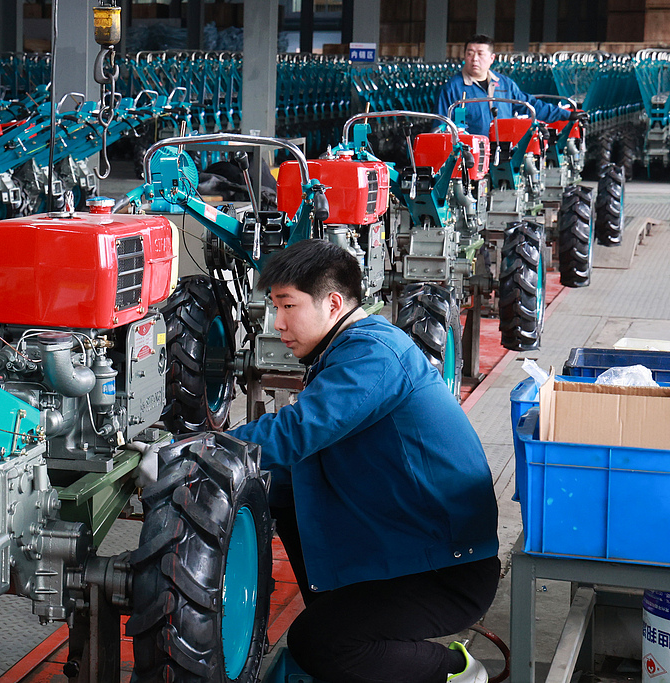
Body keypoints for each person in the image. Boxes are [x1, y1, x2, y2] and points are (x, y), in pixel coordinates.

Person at [228, 239, 500, 683]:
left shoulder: (373, 354)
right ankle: (348, 622)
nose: (277, 323)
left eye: (287, 306)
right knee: (279, 488)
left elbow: (299, 430)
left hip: (447, 567)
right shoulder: (345, 351)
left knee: (320, 643)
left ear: (333, 303)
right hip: (410, 543)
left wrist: (199, 448)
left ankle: (456, 672)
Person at [435, 34, 571, 136]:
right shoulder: (453, 88)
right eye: (470, 54)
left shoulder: (504, 84)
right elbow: (440, 125)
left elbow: (529, 105)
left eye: (480, 54)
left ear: (491, 58)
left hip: (503, 150)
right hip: (470, 155)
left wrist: (565, 114)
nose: (474, 59)